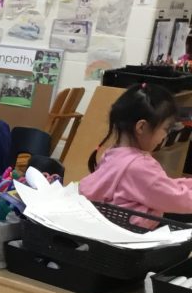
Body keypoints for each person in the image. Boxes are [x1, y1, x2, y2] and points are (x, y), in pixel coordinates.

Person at [80, 83, 192, 220]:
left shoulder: (112, 154)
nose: (165, 135)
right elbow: (175, 198)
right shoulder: (139, 167)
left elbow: (163, 185)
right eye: (165, 129)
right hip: (133, 231)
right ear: (141, 127)